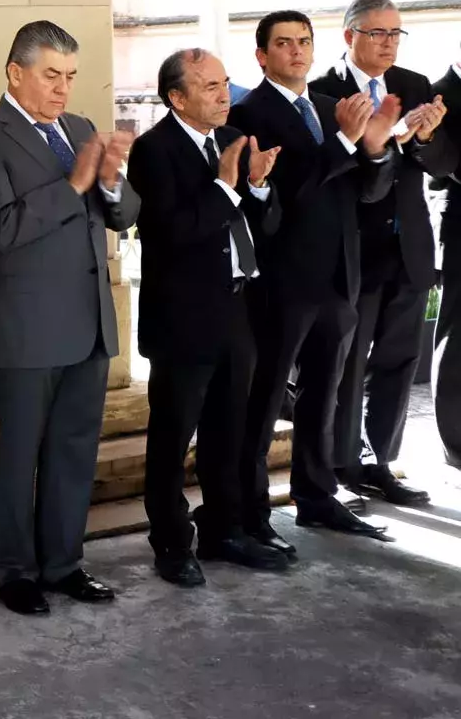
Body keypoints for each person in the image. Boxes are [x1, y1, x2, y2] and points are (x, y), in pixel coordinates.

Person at [0, 21, 137, 616]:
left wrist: (111, 183)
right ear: (15, 73)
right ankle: (12, 571)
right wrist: (77, 182)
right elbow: (4, 229)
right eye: (51, 75)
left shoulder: (81, 128)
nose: (63, 89)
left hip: (88, 320)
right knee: (21, 452)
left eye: (71, 77)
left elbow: (123, 214)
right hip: (26, 325)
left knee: (75, 448)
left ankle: (63, 564)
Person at [228, 11, 396, 547]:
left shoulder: (328, 108)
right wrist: (346, 144)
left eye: (304, 41)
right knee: (266, 397)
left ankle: (317, 497)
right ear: (261, 56)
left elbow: (366, 193)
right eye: (283, 43)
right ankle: (250, 511)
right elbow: (291, 196)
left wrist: (375, 148)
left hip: (339, 275)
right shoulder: (248, 113)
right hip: (282, 280)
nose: (296, 51)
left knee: (324, 395)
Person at [127, 49, 287, 587]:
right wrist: (224, 186)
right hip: (183, 318)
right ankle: (171, 542)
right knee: (172, 437)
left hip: (236, 307)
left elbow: (263, 228)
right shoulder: (153, 150)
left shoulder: (233, 138)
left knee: (228, 429)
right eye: (210, 87)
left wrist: (258, 186)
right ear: (176, 97)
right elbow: (174, 233)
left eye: (225, 83)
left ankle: (223, 529)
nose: (224, 95)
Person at [309, 0, 456, 506]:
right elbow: (329, 172)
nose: (389, 42)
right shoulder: (321, 91)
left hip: (408, 245)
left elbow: (440, 165)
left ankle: (381, 461)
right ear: (349, 36)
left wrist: (424, 137)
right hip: (354, 248)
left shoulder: (416, 85)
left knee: (398, 358)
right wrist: (378, 142)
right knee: (347, 364)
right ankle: (342, 462)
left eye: (396, 33)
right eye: (377, 33)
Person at [429, 62, 461, 467]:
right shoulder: (439, 92)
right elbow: (443, 164)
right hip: (460, 228)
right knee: (456, 341)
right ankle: (456, 445)